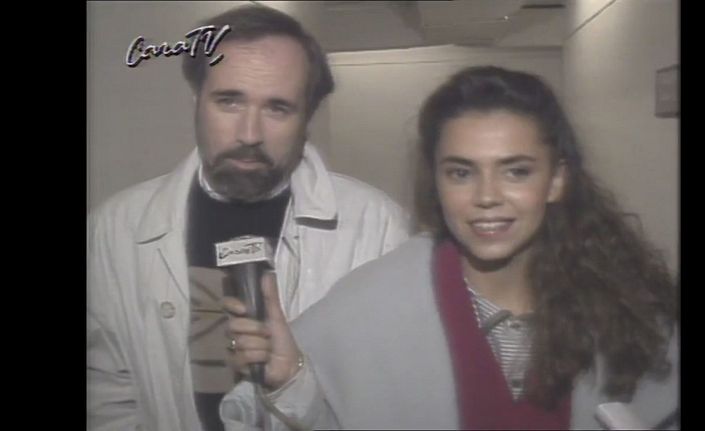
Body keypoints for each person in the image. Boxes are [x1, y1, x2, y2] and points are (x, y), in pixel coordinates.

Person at [220, 66, 679, 430]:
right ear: (436, 183)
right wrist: (290, 382)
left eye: (516, 171)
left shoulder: (626, 307)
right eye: (461, 173)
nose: (486, 196)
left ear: (557, 179)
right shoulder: (371, 302)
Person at [86, 5, 410, 431]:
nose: (249, 134)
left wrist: (295, 383)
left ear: (307, 119)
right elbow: (109, 394)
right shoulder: (116, 228)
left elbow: (391, 399)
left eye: (278, 108)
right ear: (196, 101)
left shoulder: (377, 226)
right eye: (229, 101)